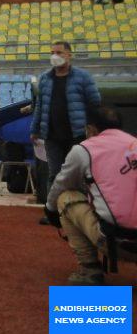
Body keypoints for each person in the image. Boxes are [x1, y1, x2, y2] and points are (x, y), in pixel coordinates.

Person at [45, 107, 137, 285]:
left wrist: (50, 210)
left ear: (91, 129)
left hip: (117, 242)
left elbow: (60, 185)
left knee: (65, 198)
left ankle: (90, 270)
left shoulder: (83, 150)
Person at [27, 41, 101, 225]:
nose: (55, 55)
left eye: (59, 52)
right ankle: (52, 212)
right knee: (54, 174)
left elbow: (95, 102)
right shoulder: (45, 78)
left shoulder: (83, 77)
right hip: (52, 136)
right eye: (52, 52)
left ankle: (83, 214)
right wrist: (34, 129)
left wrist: (92, 129)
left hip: (77, 135)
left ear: (69, 55)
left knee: (80, 175)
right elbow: (39, 106)